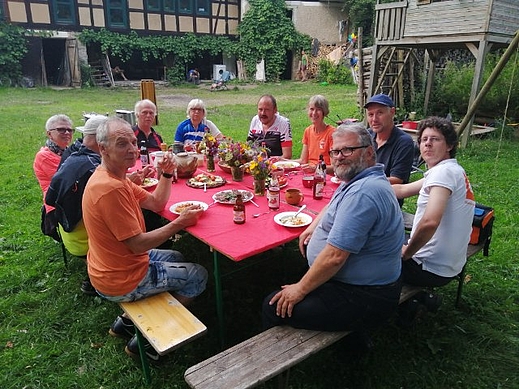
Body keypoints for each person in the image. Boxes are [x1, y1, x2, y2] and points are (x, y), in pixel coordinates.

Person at [82, 117, 208, 360]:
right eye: (122, 144)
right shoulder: (111, 188)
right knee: (199, 275)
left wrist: (167, 174)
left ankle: (125, 323)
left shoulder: (115, 177)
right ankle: (151, 341)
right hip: (119, 279)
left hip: (111, 263)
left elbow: (157, 203)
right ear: (103, 149)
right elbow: (138, 244)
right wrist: (179, 223)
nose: (131, 149)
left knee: (175, 255)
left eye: (132, 142)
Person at [262, 123, 404, 337]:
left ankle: (349, 348)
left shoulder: (363, 194)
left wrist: (299, 290)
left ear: (367, 152)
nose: (339, 156)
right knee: (289, 282)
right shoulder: (363, 179)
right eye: (335, 151)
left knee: (271, 304)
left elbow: (335, 258)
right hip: (364, 284)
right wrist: (313, 227)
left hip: (366, 296)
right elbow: (333, 204)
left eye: (347, 150)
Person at [392, 117, 475, 316]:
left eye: (435, 139)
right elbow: (402, 189)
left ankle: (401, 305)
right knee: (389, 240)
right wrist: (366, 183)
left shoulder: (444, 174)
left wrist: (407, 252)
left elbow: (430, 222)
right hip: (450, 263)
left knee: (365, 252)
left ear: (450, 145)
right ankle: (419, 299)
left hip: (429, 267)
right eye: (424, 139)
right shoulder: (449, 170)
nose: (427, 143)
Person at [45, 115, 107, 295]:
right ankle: (96, 279)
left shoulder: (73, 151)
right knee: (139, 219)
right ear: (101, 139)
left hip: (66, 227)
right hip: (82, 239)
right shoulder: (92, 168)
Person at [364, 93, 414, 206]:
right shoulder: (366, 136)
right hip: (364, 195)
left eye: (380, 113)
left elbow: (396, 180)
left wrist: (362, 181)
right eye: (370, 114)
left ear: (392, 112)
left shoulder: (404, 142)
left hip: (386, 203)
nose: (374, 119)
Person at [34, 114, 74, 240]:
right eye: (61, 129)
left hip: (70, 195)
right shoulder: (44, 157)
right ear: (49, 134)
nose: (67, 133)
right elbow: (68, 179)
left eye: (70, 130)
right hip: (57, 202)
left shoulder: (67, 150)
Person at [297, 95, 335, 172]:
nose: (314, 113)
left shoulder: (332, 133)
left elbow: (334, 167)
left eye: (318, 110)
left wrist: (316, 168)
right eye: (311, 109)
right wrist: (283, 161)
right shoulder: (308, 131)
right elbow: (303, 160)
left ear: (324, 112)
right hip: (311, 174)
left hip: (325, 176)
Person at [248, 95, 292, 159]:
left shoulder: (283, 123)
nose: (263, 113)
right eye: (260, 109)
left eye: (267, 110)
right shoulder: (255, 120)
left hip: (276, 164)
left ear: (275, 110)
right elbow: (248, 147)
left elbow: (287, 155)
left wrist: (269, 162)